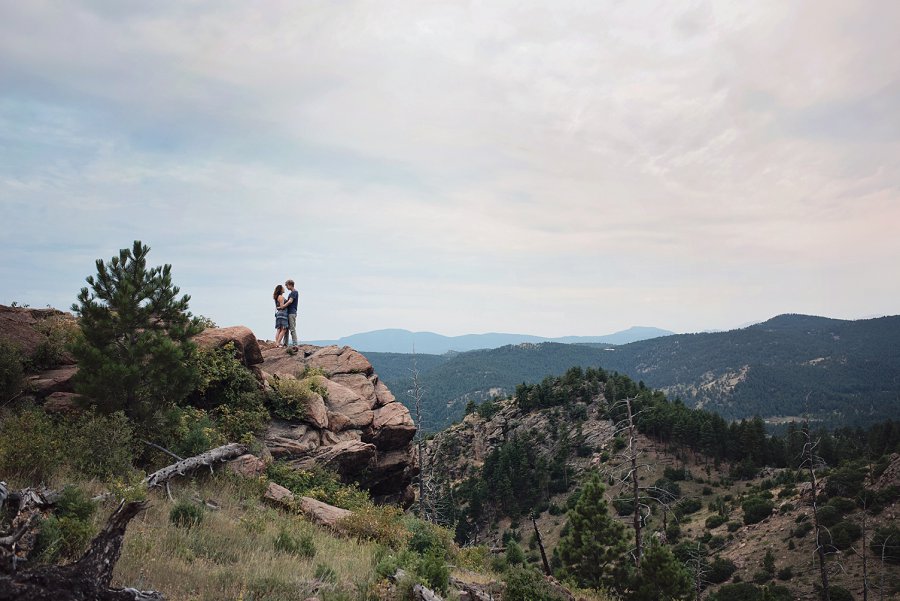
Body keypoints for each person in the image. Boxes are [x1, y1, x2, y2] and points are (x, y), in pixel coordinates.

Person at [282, 279, 300, 347]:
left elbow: (290, 301)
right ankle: (285, 343)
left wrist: (283, 306)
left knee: (292, 329)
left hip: (292, 313)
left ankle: (295, 344)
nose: (286, 287)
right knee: (286, 328)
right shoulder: (291, 293)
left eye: (287, 285)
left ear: (290, 285)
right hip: (289, 312)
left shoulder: (294, 292)